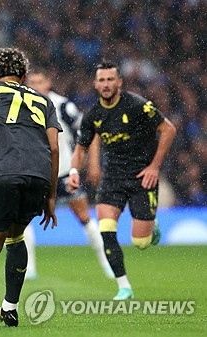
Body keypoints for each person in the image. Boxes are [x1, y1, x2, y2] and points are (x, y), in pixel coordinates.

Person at [0, 48, 61, 329]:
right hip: (39, 174)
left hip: (4, 170)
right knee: (15, 236)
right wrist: (52, 195)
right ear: (24, 76)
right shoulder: (44, 100)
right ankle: (9, 308)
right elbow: (54, 147)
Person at [67, 60, 177, 300]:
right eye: (102, 80)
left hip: (141, 177)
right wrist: (74, 172)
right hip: (113, 178)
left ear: (119, 82)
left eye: (110, 80)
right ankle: (123, 286)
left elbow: (168, 129)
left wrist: (154, 168)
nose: (106, 84)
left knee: (140, 242)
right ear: (96, 84)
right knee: (107, 229)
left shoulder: (137, 105)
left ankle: (151, 225)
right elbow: (81, 147)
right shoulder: (94, 114)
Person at [24, 69, 113, 280]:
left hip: (64, 173)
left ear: (49, 83)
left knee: (85, 218)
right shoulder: (21, 106)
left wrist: (93, 164)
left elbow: (90, 132)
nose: (36, 86)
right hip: (35, 174)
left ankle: (108, 265)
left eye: (40, 81)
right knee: (22, 221)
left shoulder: (63, 106)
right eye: (32, 82)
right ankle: (29, 270)